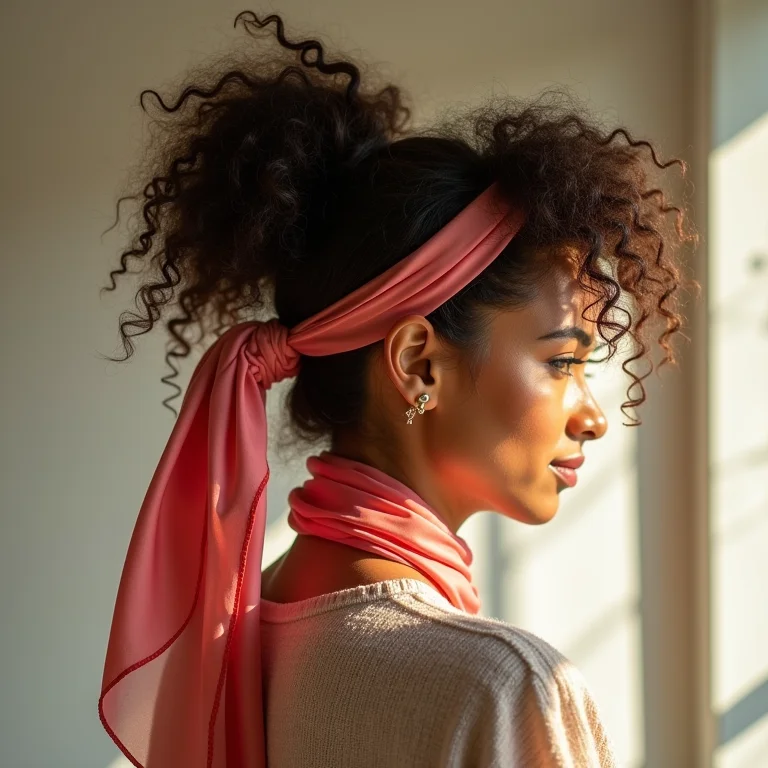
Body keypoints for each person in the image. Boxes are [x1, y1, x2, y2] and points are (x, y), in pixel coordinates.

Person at [96, 11, 697, 768]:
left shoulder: (241, 635)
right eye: (562, 362)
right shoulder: (501, 686)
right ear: (418, 364)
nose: (594, 417)